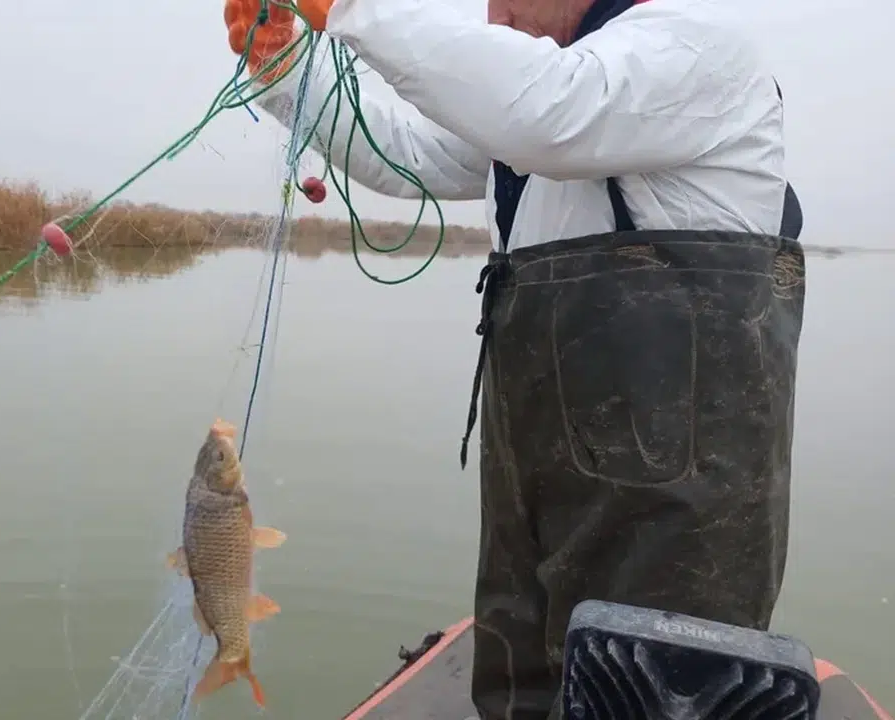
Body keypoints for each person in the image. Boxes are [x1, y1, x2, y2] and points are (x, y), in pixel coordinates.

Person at [220, 0, 807, 717]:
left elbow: (545, 112)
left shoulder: (694, 51)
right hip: (533, 497)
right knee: (514, 691)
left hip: (676, 523)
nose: (493, 14)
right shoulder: (552, 107)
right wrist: (287, 71)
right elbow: (410, 149)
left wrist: (350, 9)